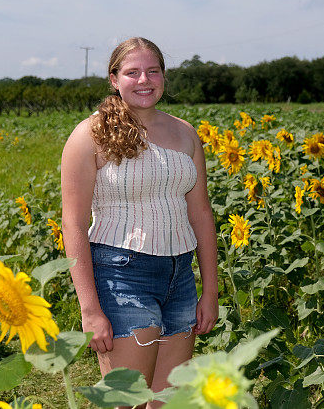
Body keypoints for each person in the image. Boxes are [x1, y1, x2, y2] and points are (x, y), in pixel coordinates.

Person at [60, 37, 219, 404]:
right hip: (120, 277)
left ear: (163, 76)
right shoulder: (89, 135)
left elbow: (201, 213)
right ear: (114, 79)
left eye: (153, 70)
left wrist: (209, 292)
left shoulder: (185, 133)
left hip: (180, 278)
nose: (144, 79)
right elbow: (73, 224)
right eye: (132, 72)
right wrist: (90, 310)